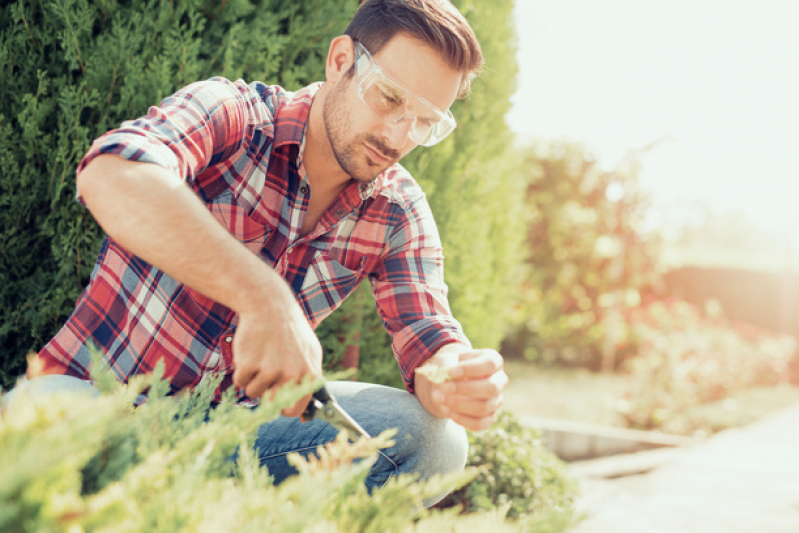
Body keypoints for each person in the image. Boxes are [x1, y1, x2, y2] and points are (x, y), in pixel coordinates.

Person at [10, 0, 507, 507]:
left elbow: (429, 339)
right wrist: (263, 297)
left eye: (425, 121)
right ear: (340, 61)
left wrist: (454, 379)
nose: (400, 135)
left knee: (436, 440)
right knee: (28, 442)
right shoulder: (234, 114)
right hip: (93, 402)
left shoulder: (398, 212)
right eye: (388, 98)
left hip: (231, 444)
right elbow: (113, 172)